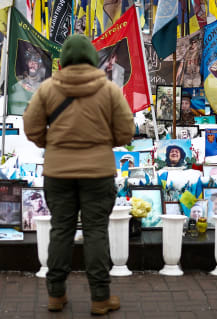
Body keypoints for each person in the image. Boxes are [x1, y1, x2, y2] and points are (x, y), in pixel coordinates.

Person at [23, 34, 134, 314]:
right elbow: (125, 132)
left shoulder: (47, 89)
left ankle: (56, 295)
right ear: (90, 58)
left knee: (61, 230)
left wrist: (51, 143)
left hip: (58, 173)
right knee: (96, 231)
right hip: (98, 173)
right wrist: (101, 141)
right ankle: (99, 298)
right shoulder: (108, 90)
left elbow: (31, 126)